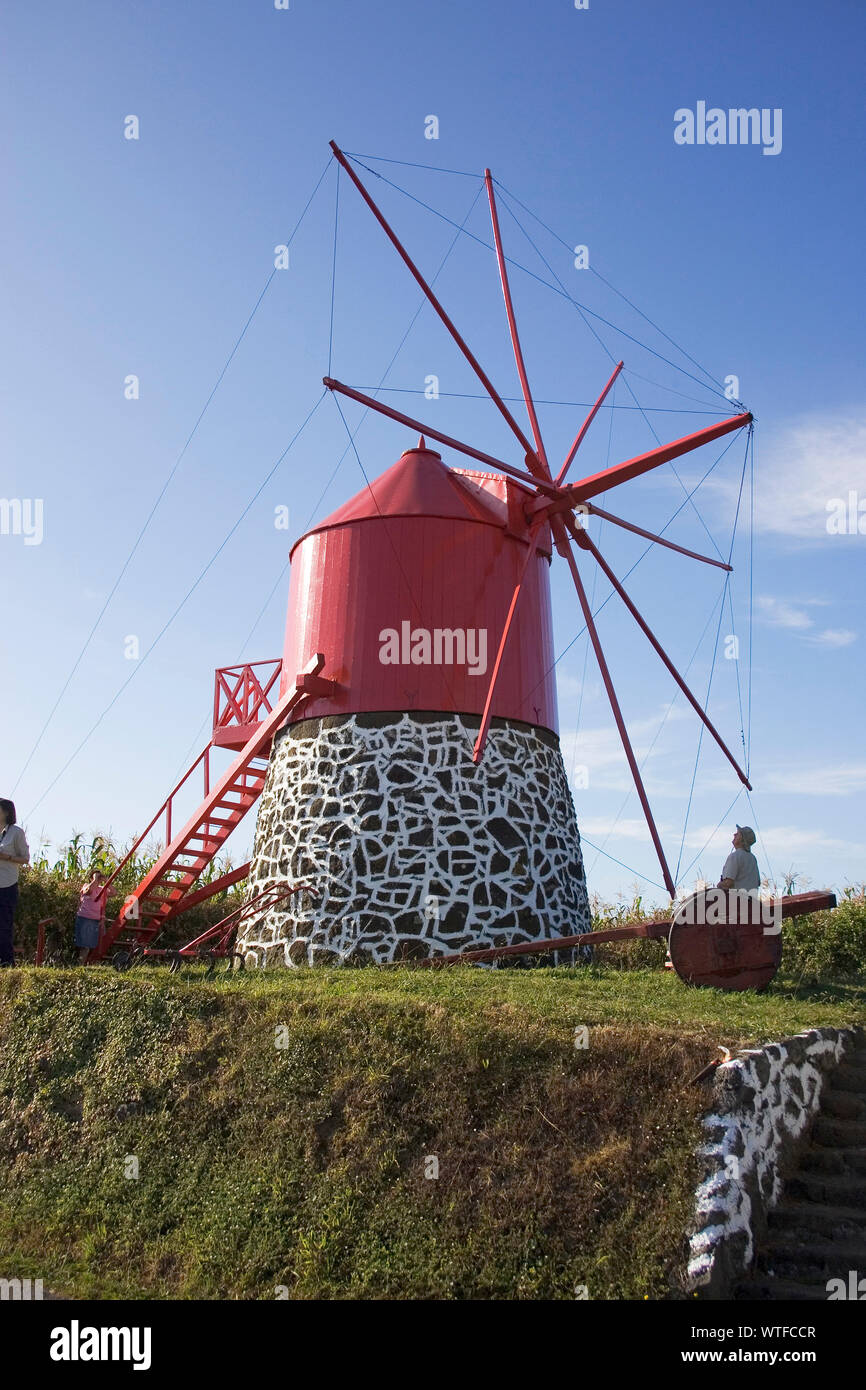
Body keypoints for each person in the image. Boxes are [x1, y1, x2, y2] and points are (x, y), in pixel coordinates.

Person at [0, 799, 30, 967]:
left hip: (7, 884)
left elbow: (25, 858)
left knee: (4, 925)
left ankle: (6, 962)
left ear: (6, 812)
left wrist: (7, 857)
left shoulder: (16, 832)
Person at [75, 870, 108, 964]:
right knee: (85, 945)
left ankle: (91, 963)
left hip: (97, 920)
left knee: (99, 944)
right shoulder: (86, 886)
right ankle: (80, 965)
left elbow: (114, 892)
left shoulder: (102, 889)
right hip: (85, 918)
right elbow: (88, 890)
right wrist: (94, 879)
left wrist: (106, 881)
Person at [718, 825, 760, 892]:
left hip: (736, 900)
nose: (734, 834)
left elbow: (728, 883)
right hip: (752, 900)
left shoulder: (735, 856)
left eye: (737, 834)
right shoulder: (753, 858)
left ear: (742, 838)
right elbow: (757, 883)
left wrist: (719, 885)